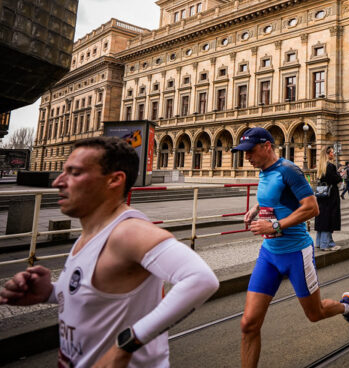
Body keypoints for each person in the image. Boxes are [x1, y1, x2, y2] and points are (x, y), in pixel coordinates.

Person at [0, 137, 219, 366]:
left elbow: (201, 279)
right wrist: (51, 293)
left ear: (114, 180)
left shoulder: (128, 232)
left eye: (75, 173)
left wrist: (128, 343)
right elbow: (102, 296)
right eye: (63, 171)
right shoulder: (91, 233)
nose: (58, 182)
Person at [236, 128, 349, 366]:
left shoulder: (289, 170)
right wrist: (256, 208)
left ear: (266, 146)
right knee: (248, 324)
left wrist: (274, 225)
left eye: (250, 151)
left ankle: (346, 307)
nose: (247, 157)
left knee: (315, 314)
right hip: (269, 254)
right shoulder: (263, 170)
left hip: (296, 253)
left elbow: (312, 208)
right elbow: (276, 196)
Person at [315, 145, 342, 251]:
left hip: (322, 194)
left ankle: (319, 242)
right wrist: (339, 175)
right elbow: (335, 179)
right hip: (331, 194)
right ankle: (326, 244)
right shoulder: (330, 166)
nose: (333, 153)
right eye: (331, 152)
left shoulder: (321, 166)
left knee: (322, 218)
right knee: (329, 218)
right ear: (327, 154)